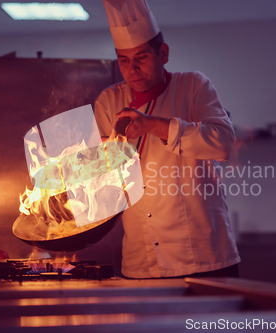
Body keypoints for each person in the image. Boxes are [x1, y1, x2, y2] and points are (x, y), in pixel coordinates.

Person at [94, 0, 240, 278]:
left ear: (164, 53)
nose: (132, 69)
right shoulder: (108, 100)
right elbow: (109, 186)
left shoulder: (193, 86)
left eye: (141, 58)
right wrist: (100, 161)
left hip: (203, 257)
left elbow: (222, 143)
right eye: (123, 60)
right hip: (141, 260)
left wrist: (152, 125)